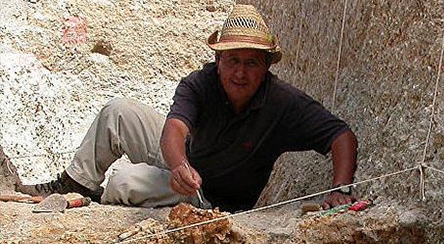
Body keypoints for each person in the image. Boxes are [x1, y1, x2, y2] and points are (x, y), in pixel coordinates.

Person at [17, 4, 358, 212]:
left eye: (252, 63)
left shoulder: (283, 101)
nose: (241, 72)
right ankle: (76, 184)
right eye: (233, 60)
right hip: (186, 166)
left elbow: (340, 135)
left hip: (208, 197)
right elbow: (174, 129)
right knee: (118, 112)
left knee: (123, 181)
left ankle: (106, 195)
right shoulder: (199, 82)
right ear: (218, 60)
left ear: (267, 65)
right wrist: (179, 164)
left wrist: (341, 189)